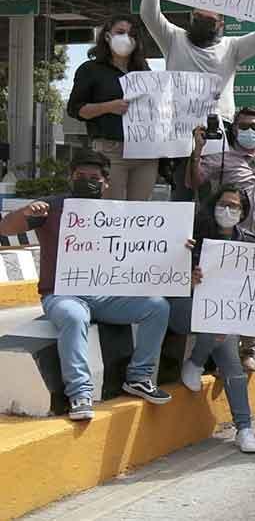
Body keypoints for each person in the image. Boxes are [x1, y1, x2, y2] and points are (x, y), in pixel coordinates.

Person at [0, 150, 172, 420]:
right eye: (81, 176)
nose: (86, 181)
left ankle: (139, 377)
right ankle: (79, 393)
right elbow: (6, 228)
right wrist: (25, 211)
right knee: (74, 316)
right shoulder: (51, 207)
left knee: (157, 307)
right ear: (71, 177)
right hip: (61, 293)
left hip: (106, 295)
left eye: (94, 177)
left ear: (105, 183)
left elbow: (146, 249)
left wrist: (179, 248)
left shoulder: (120, 213)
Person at [141, 0, 255, 201]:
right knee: (184, 192)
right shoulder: (173, 38)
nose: (203, 21)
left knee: (216, 195)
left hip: (220, 131)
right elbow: (149, 15)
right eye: (198, 17)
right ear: (190, 17)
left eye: (210, 19)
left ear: (221, 24)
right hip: (180, 131)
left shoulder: (232, 46)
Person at [189, 106, 255, 372]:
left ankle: (250, 348)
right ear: (234, 129)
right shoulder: (222, 158)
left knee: (254, 291)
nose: (250, 131)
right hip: (231, 238)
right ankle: (225, 353)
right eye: (244, 126)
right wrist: (197, 151)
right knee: (231, 292)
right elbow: (196, 181)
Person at [171, 185, 255, 453]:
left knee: (233, 365)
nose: (228, 210)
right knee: (218, 325)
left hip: (222, 316)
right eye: (224, 204)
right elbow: (164, 274)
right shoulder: (192, 237)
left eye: (235, 206)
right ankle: (197, 361)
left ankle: (244, 428)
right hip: (183, 308)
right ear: (213, 205)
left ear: (243, 212)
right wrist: (187, 274)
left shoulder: (248, 241)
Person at [66, 16, 157, 201]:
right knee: (110, 213)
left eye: (132, 34)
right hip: (110, 153)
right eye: (120, 32)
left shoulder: (145, 71)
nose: (126, 37)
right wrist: (108, 107)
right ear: (107, 36)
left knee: (138, 214)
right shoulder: (90, 69)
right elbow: (75, 109)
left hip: (146, 153)